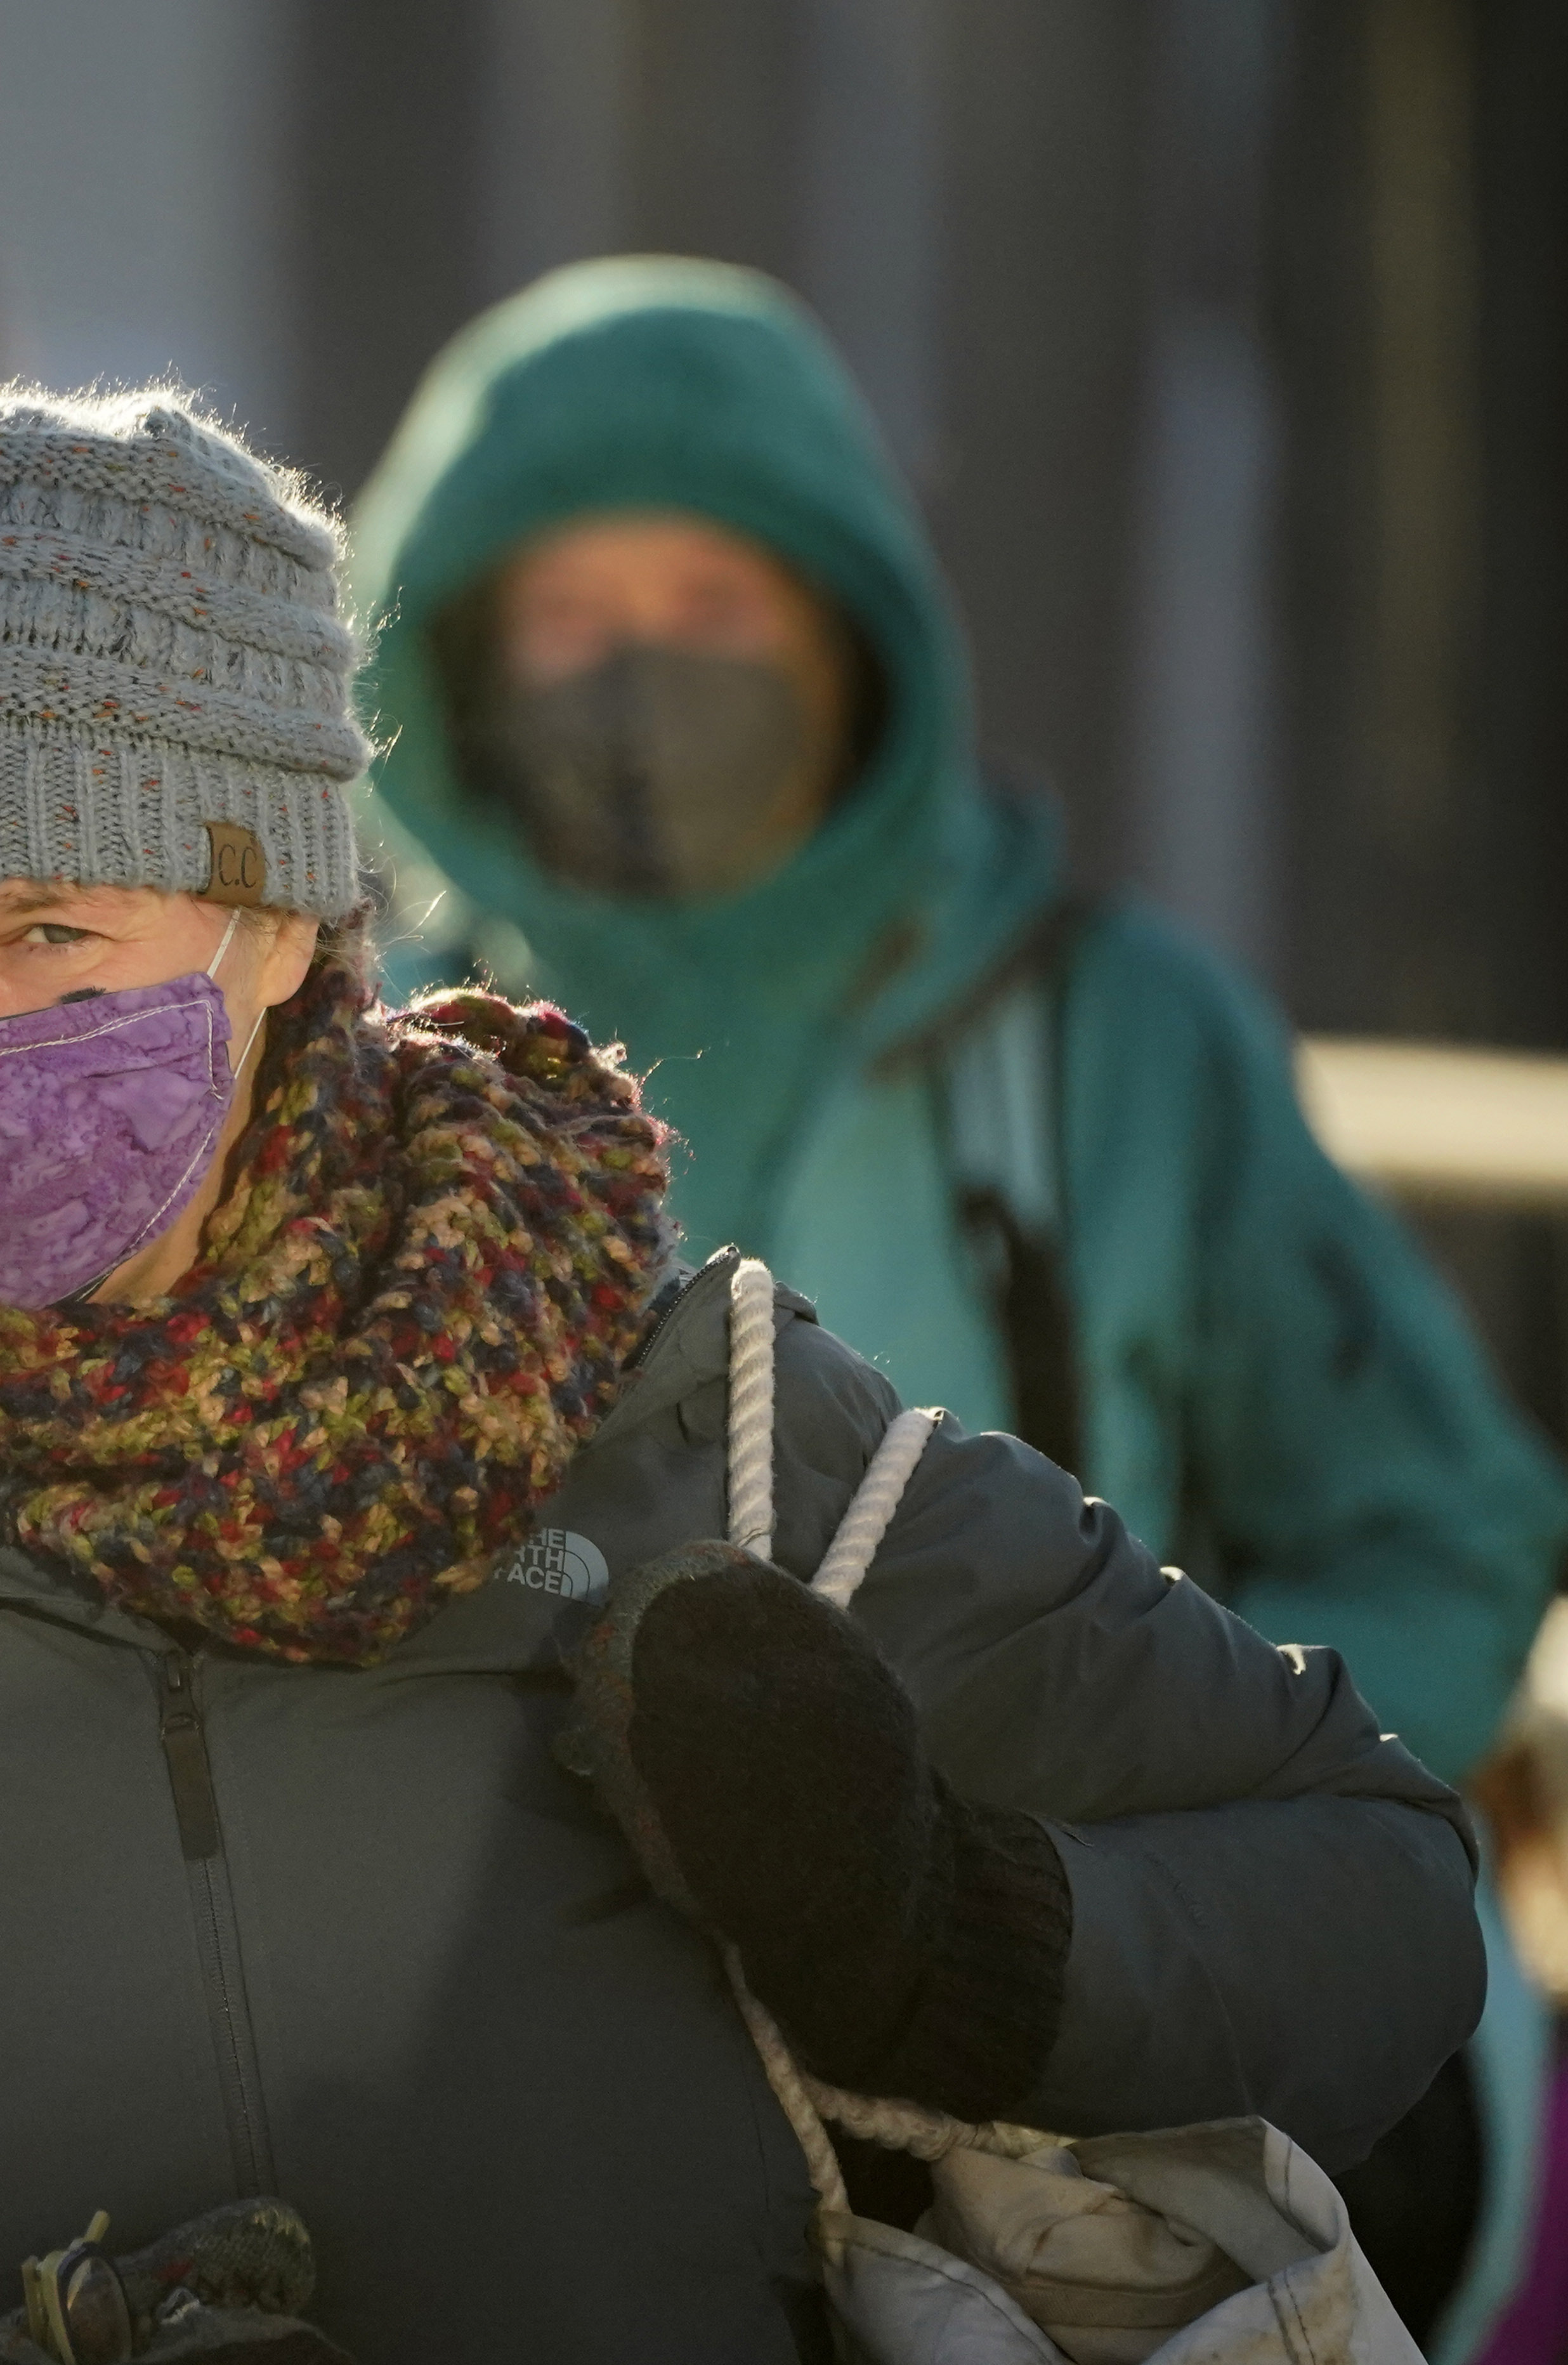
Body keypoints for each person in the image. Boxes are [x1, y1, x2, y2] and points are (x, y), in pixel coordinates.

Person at [0, 387, 1480, 2361]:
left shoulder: (696, 1427)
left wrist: (940, 1936)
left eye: (50, 932)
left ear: (282, 922)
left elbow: (1373, 1892)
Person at [345, 253, 1568, 2336]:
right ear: (450, 652)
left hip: (1094, 1999)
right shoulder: (376, 1082)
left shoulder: (1112, 1038)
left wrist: (1179, 1827)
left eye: (714, 608)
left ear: (849, 638)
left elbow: (1437, 1524)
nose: (643, 674)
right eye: (573, 617)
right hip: (556, 2039)